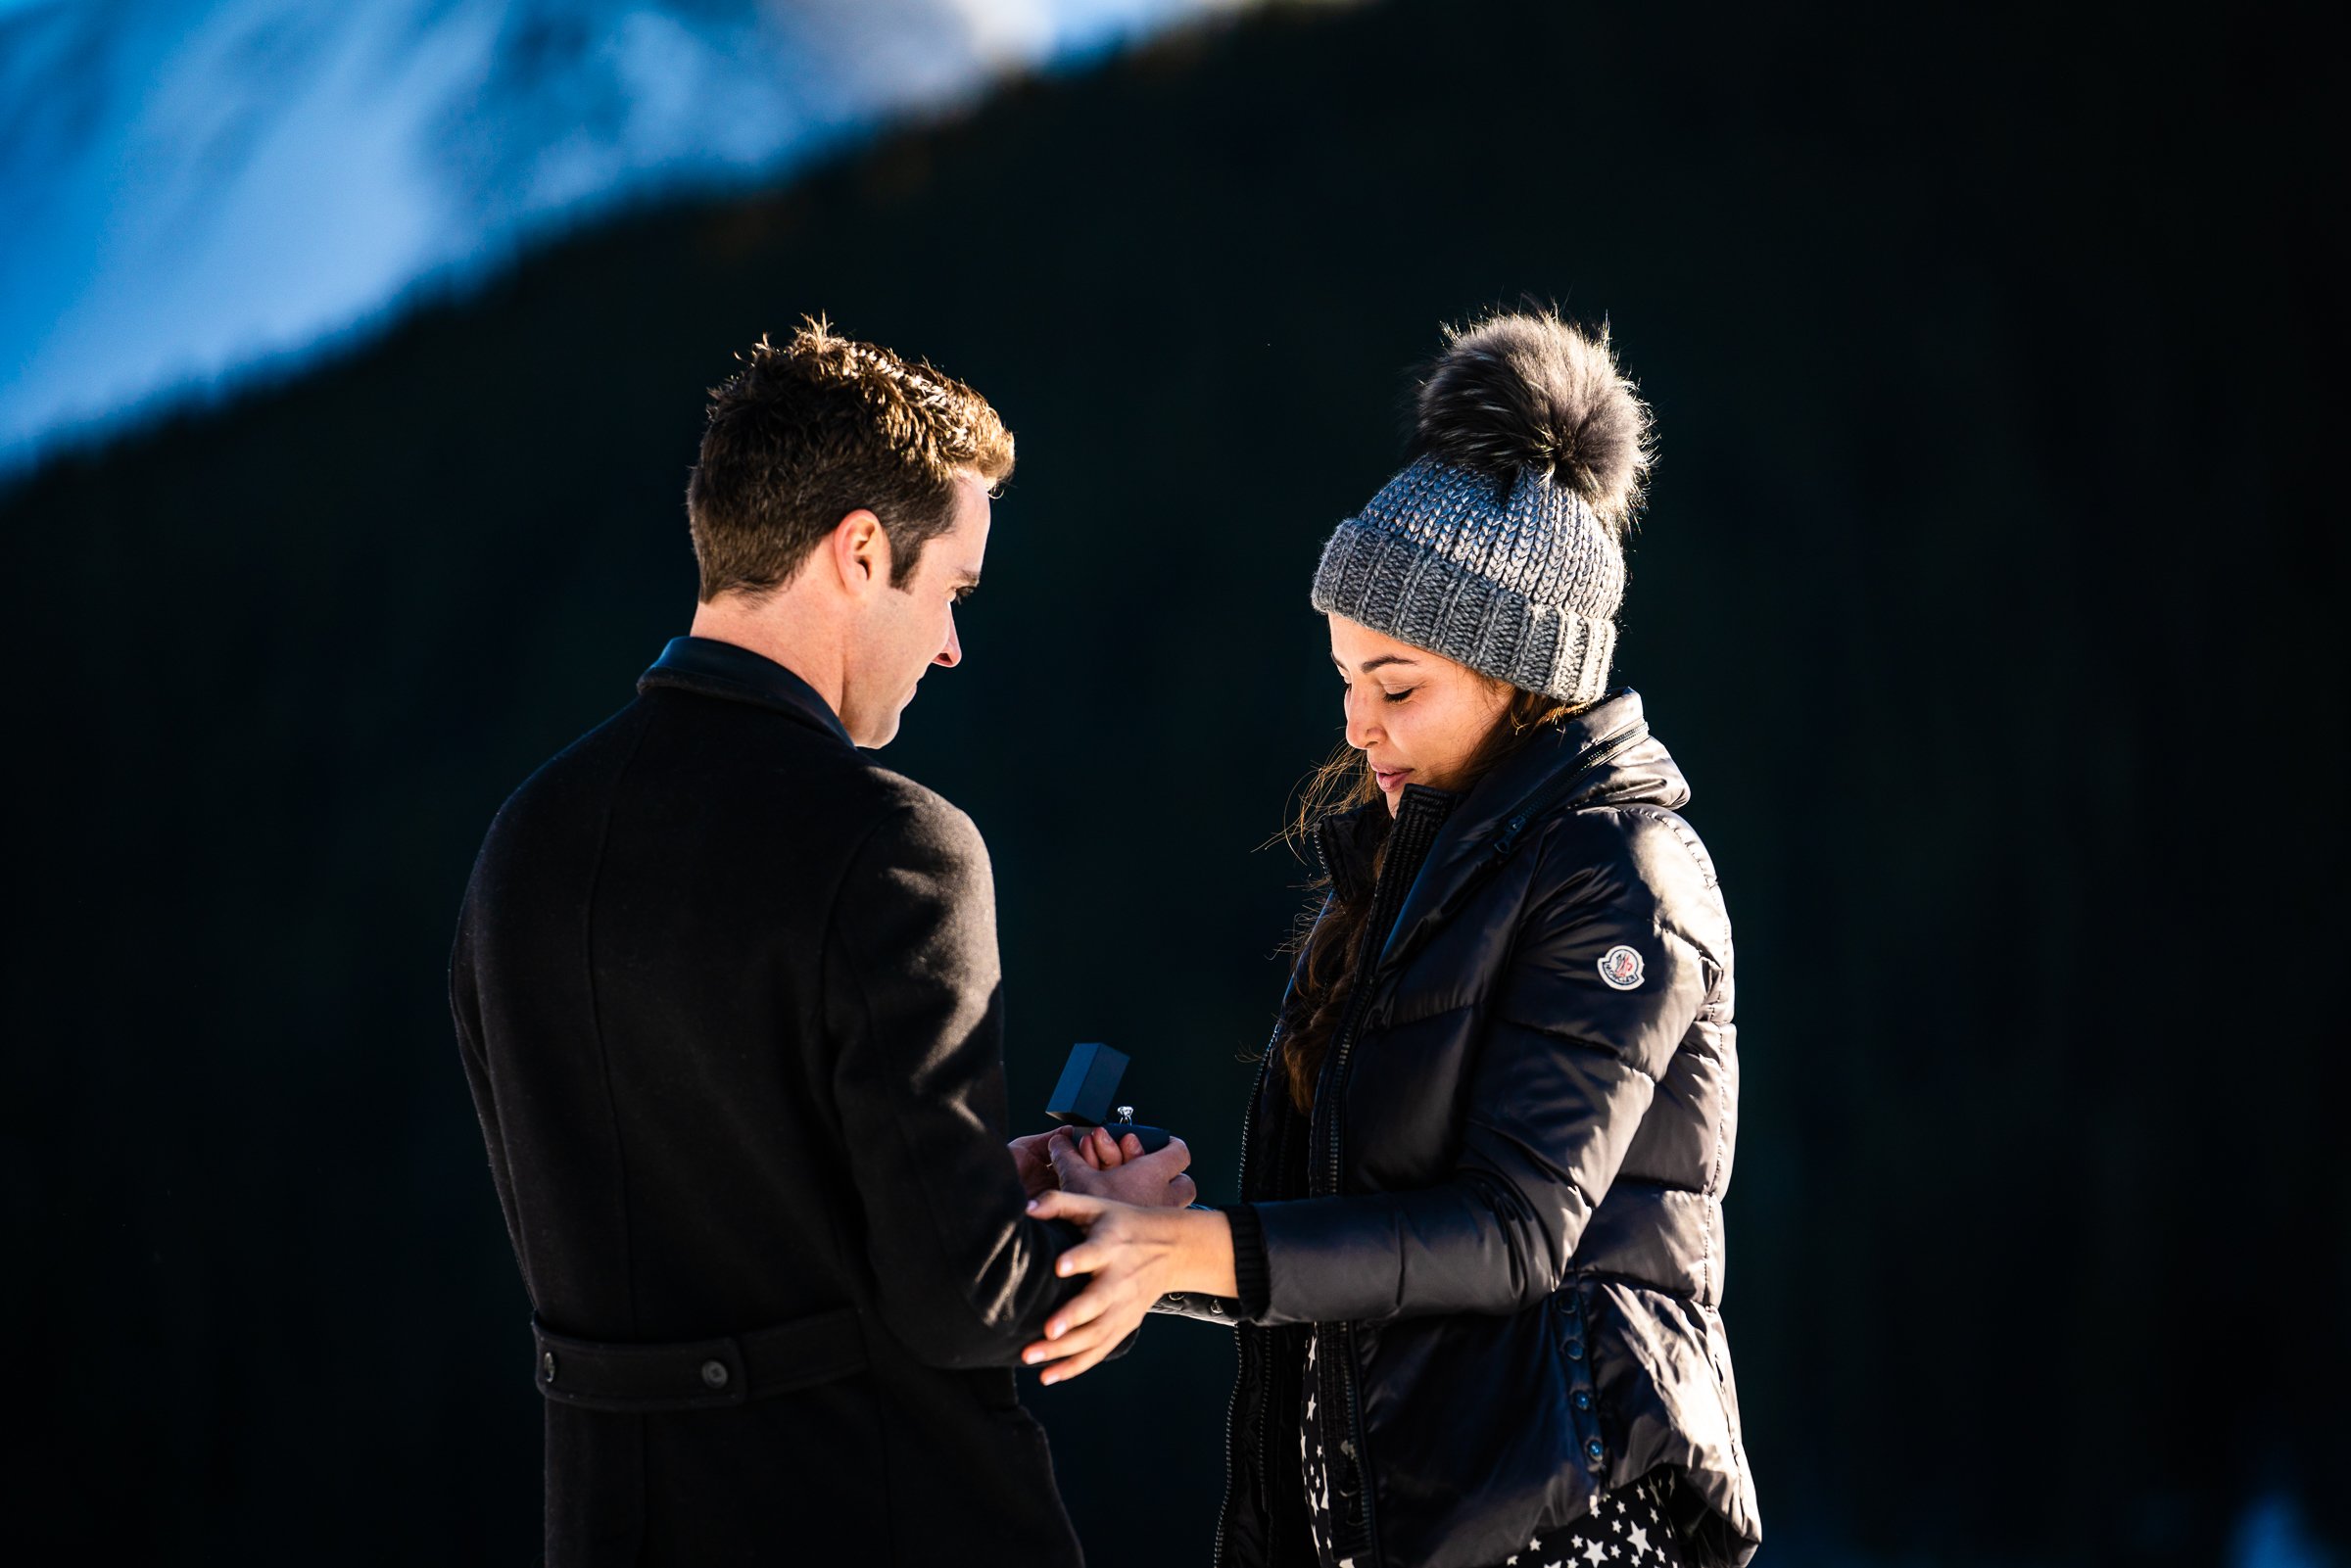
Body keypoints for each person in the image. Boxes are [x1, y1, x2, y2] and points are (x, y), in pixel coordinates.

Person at [449, 320, 1194, 1566]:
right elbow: (965, 1304)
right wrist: (1103, 1227)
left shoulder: (522, 842)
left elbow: (680, 1222)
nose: (954, 643)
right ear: (858, 550)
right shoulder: (896, 846)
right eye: (951, 588)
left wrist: (968, 1185)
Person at [1025, 311, 1762, 1567]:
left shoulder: (1621, 875)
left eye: (1399, 684)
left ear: (1523, 672)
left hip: (1566, 1519)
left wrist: (1200, 1247)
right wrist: (1154, 1251)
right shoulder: (1407, 880)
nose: (1359, 724)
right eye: (1347, 680)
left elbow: (1517, 1230)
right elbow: (1363, 1264)